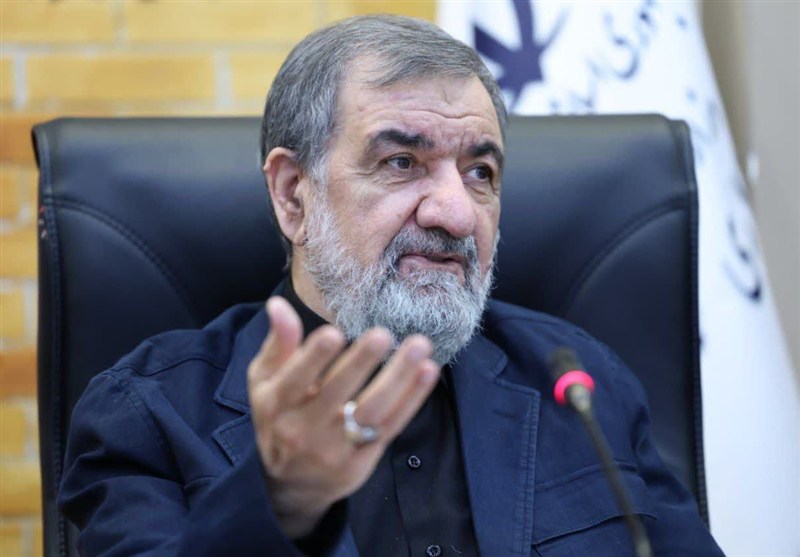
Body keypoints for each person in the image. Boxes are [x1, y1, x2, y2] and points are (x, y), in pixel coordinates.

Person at [59, 15, 724, 557]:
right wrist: (281, 499)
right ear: (292, 195)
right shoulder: (148, 416)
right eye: (402, 162)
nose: (455, 214)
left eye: (480, 173)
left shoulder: (579, 383)